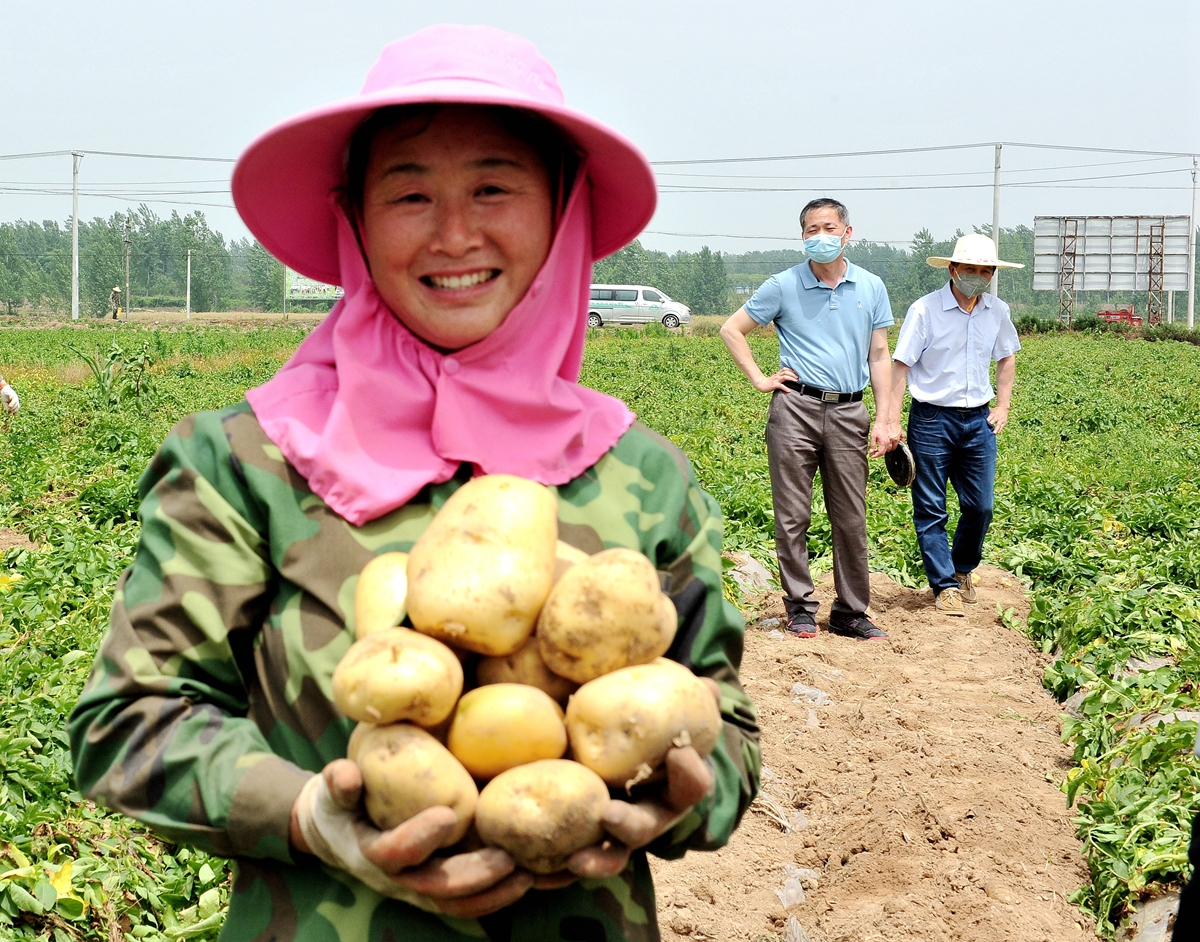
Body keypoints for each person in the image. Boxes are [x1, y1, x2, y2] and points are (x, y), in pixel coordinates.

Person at [68, 26, 760, 942]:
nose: (454, 233)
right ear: (353, 218)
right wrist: (306, 813)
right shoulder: (246, 460)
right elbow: (127, 724)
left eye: (494, 186)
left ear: (564, 213)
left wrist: (685, 801)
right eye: (408, 192)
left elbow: (731, 728)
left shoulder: (643, 475)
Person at [720, 198, 896, 642]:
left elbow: (879, 354)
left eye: (829, 227)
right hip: (794, 409)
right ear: (802, 237)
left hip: (849, 410)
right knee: (792, 514)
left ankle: (851, 611)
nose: (821, 236)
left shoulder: (871, 286)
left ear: (847, 232)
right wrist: (760, 378)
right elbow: (731, 329)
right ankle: (799, 607)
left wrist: (887, 417)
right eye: (812, 229)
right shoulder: (782, 285)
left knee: (851, 516)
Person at [887, 233, 1021, 616]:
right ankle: (943, 584)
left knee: (980, 506)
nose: (978, 276)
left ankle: (962, 569)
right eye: (971, 269)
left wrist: (1004, 405)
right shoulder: (926, 310)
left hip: (978, 420)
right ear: (953, 269)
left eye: (986, 270)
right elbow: (902, 365)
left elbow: (1007, 357)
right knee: (931, 507)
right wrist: (893, 421)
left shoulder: (997, 311)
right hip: (932, 419)